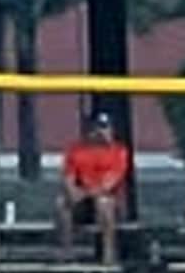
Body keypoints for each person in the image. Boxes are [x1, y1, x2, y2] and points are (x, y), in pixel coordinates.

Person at [56, 112, 135, 263]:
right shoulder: (76, 150)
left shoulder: (119, 151)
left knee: (104, 202)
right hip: (84, 202)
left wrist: (86, 193)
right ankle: (66, 253)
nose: (100, 132)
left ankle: (109, 256)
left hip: (108, 203)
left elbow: (109, 184)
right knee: (62, 203)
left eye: (104, 127)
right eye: (96, 127)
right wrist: (74, 192)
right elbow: (68, 178)